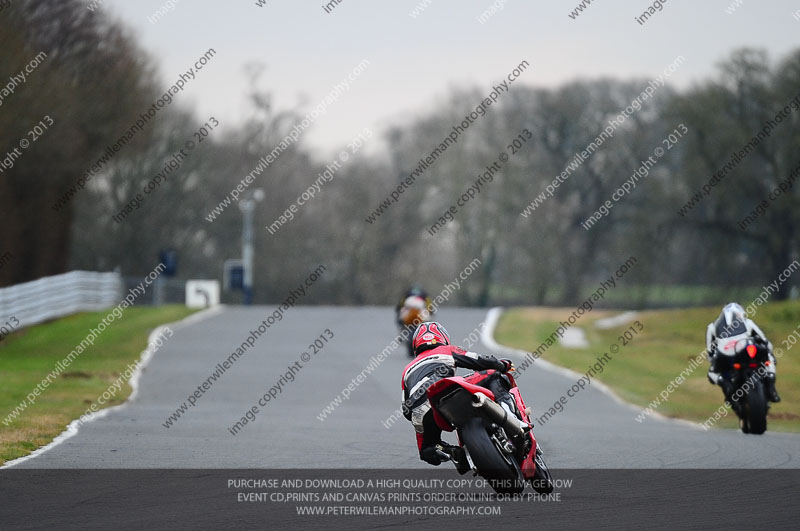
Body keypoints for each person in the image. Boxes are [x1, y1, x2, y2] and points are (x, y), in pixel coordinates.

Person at [400, 321, 527, 466]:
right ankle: (512, 417)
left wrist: (422, 428)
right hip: (444, 392)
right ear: (443, 338)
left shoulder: (407, 369)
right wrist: (503, 365)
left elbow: (405, 408)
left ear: (416, 343)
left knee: (427, 450)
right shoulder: (446, 350)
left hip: (420, 412)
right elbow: (478, 360)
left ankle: (453, 453)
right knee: (494, 375)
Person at [706, 302, 780, 402]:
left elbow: (710, 352)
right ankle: (771, 387)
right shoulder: (748, 322)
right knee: (769, 357)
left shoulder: (712, 327)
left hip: (729, 358)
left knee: (712, 373)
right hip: (742, 356)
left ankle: (727, 386)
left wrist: (715, 358)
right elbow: (765, 342)